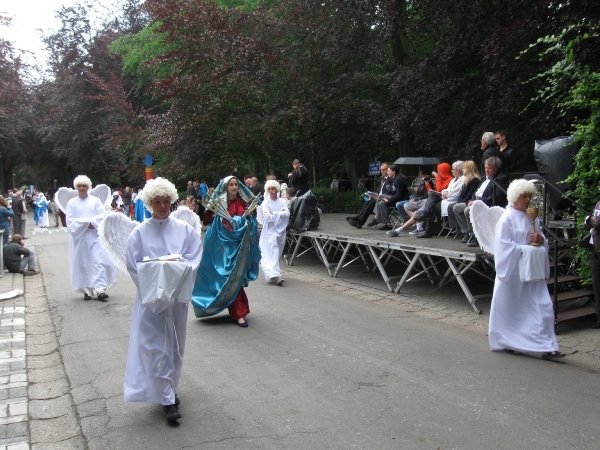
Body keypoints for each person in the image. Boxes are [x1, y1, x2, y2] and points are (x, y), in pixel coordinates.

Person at [124, 177, 203, 423]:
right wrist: (155, 282)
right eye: (157, 202)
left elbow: (193, 256)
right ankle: (167, 399)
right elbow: (133, 265)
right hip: (151, 301)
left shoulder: (184, 229)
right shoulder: (139, 232)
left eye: (166, 201)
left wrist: (174, 274)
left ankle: (169, 388)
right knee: (155, 347)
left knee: (175, 346)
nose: (162, 206)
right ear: (149, 203)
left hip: (175, 300)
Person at [489, 179, 565, 359]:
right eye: (525, 196)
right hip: (514, 272)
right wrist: (526, 249)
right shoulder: (506, 219)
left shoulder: (532, 216)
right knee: (514, 310)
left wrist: (541, 240)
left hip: (531, 270)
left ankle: (548, 346)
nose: (528, 199)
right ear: (515, 196)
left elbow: (540, 240)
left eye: (530, 196)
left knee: (543, 306)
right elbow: (502, 246)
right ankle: (511, 342)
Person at [192, 176, 260, 327]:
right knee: (227, 276)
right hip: (223, 246)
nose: (234, 187)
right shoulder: (220, 202)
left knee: (236, 277)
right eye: (231, 185)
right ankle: (232, 309)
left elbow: (252, 220)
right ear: (226, 187)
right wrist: (211, 212)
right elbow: (208, 221)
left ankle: (239, 313)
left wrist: (242, 222)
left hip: (239, 245)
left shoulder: (244, 202)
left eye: (236, 184)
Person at [66, 175, 117, 301]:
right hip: (80, 238)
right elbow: (70, 222)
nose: (82, 188)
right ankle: (87, 289)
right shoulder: (72, 203)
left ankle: (100, 289)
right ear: (76, 187)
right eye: (79, 186)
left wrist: (91, 223)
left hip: (95, 235)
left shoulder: (95, 201)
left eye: (84, 186)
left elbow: (102, 216)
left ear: (88, 187)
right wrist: (85, 224)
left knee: (98, 261)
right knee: (83, 263)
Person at [453, 156, 508, 247]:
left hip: (488, 203)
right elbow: (476, 191)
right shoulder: (484, 178)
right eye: (485, 167)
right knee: (457, 207)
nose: (486, 170)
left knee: (468, 210)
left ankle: (475, 236)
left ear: (496, 168)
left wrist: (478, 202)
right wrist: (472, 200)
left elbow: (497, 196)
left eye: (489, 168)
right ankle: (467, 232)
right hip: (476, 201)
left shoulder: (501, 179)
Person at [257, 180, 290, 285]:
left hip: (281, 231)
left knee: (277, 252)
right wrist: (280, 214)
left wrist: (275, 213)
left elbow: (287, 213)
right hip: (270, 231)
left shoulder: (282, 201)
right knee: (273, 251)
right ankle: (278, 275)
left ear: (277, 189)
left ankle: (272, 274)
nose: (271, 191)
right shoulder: (265, 203)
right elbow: (267, 217)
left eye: (273, 188)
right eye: (269, 189)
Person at [347, 162, 389, 228]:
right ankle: (359, 223)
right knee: (367, 203)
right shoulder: (383, 180)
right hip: (379, 198)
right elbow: (379, 191)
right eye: (381, 170)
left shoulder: (390, 179)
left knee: (372, 203)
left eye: (384, 169)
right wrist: (374, 195)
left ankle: (358, 220)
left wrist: (378, 197)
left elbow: (389, 192)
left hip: (384, 199)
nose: (382, 171)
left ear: (388, 169)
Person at [446, 160, 481, 234]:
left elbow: (470, 195)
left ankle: (466, 231)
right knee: (453, 206)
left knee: (455, 207)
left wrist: (460, 202)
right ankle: (463, 230)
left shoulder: (475, 180)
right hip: (464, 200)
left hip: (469, 201)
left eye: (464, 168)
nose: (462, 170)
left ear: (469, 169)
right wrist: (459, 201)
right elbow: (461, 194)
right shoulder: (466, 179)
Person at [371, 165, 407, 230]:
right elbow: (392, 191)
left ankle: (376, 217)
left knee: (381, 196)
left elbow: (399, 195)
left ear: (394, 172)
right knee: (381, 203)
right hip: (394, 199)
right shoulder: (393, 179)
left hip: (400, 200)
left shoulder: (398, 179)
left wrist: (389, 200)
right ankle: (388, 224)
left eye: (389, 171)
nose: (387, 173)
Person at [583, 195, 600, 328]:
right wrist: (588, 221)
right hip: (595, 249)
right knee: (597, 285)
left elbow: (597, 221)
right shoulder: (598, 203)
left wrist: (589, 220)